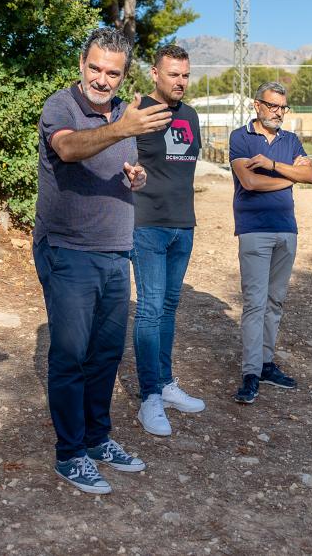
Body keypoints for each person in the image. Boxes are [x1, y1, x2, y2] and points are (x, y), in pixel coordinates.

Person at [33, 27, 172, 493]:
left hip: (116, 251)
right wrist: (123, 129)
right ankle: (69, 454)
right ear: (81, 64)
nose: (102, 79)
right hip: (69, 250)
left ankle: (97, 439)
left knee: (106, 356)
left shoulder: (120, 113)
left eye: (112, 72)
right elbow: (69, 148)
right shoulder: (62, 106)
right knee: (71, 357)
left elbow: (118, 161)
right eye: (95, 67)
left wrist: (134, 174)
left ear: (123, 75)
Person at [131, 44, 205, 436]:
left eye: (185, 75)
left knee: (170, 308)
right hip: (147, 226)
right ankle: (149, 398)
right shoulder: (137, 111)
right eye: (173, 74)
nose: (180, 81)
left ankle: (165, 382)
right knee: (149, 309)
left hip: (183, 226)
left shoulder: (190, 115)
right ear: (154, 73)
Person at [228, 82, 312, 405]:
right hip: (254, 230)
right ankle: (250, 373)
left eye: (283, 107)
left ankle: (266, 364)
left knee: (275, 301)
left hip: (286, 230)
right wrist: (290, 175)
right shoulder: (240, 138)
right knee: (255, 302)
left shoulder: (290, 140)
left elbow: (311, 176)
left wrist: (272, 165)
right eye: (273, 106)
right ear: (257, 105)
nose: (278, 112)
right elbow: (249, 182)